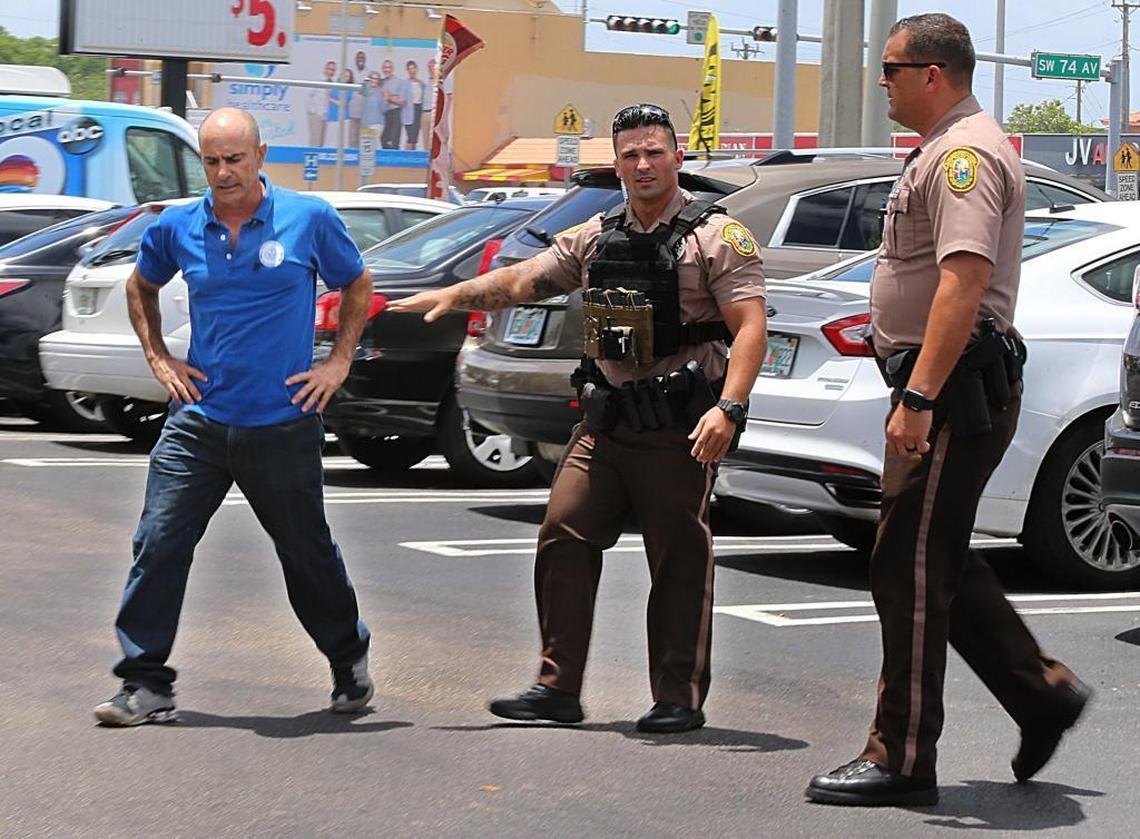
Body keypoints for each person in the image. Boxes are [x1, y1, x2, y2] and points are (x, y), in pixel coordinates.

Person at [389, 103, 768, 733]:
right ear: (615, 162)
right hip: (605, 421)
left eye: (654, 152)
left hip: (678, 426)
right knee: (563, 531)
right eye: (629, 154)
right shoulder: (595, 234)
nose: (642, 164)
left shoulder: (716, 237)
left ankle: (678, 697)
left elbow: (750, 327)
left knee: (677, 558)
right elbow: (527, 280)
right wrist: (454, 295)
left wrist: (729, 408)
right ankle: (556, 687)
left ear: (677, 157)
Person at [805, 13, 1090, 806]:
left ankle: (899, 756)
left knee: (908, 565)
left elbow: (963, 282)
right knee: (933, 554)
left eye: (890, 70)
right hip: (938, 387)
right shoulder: (942, 149)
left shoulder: (962, 155)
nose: (883, 83)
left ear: (932, 73)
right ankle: (1040, 691)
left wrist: (922, 397)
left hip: (954, 390)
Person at [93, 108, 375, 727]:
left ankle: (347, 657)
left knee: (306, 553)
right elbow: (140, 288)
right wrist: (159, 356)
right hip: (198, 420)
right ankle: (145, 683)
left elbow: (357, 285)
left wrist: (338, 362)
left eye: (235, 159)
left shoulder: (309, 219)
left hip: (283, 419)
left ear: (261, 154)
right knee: (159, 541)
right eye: (212, 161)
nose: (223, 173)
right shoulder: (177, 226)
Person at [379, 60, 407, 150]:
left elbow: (402, 102)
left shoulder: (399, 82)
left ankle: (394, 162)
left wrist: (389, 97)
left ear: (392, 69)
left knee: (394, 140)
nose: (387, 70)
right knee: (383, 139)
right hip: (384, 114)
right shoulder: (381, 82)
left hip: (395, 113)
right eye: (385, 67)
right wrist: (392, 96)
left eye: (389, 67)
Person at [307, 60, 336, 146]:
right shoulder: (318, 80)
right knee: (315, 139)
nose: (330, 72)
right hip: (316, 115)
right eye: (329, 69)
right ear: (325, 69)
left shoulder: (332, 83)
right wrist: (313, 111)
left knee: (321, 141)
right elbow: (308, 95)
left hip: (325, 115)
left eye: (333, 70)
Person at [403, 60, 427, 151]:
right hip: (409, 111)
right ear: (407, 71)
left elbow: (424, 98)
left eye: (413, 68)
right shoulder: (405, 83)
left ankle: (413, 155)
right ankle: (407, 156)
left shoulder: (421, 84)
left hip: (418, 110)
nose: (412, 71)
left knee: (415, 137)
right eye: (409, 69)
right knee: (410, 136)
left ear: (416, 69)